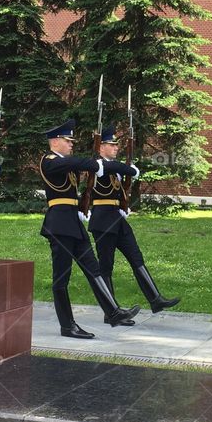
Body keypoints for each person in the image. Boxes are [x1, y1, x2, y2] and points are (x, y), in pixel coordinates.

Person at [40, 119, 139, 338]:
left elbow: (100, 166)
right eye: (68, 140)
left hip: (74, 223)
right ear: (56, 141)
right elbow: (73, 164)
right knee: (61, 277)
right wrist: (94, 164)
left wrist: (126, 169)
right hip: (58, 225)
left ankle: (113, 311)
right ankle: (67, 325)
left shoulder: (68, 161)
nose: (71, 144)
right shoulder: (49, 160)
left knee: (93, 269)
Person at [88, 126, 179, 321]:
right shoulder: (96, 165)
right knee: (106, 266)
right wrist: (129, 168)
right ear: (101, 146)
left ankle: (155, 299)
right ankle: (110, 312)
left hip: (117, 220)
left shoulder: (116, 167)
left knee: (136, 257)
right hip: (102, 222)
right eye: (111, 145)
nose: (115, 148)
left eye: (116, 145)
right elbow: (114, 168)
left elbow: (120, 182)